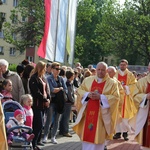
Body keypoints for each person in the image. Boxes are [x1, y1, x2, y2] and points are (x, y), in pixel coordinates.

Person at [73, 62, 120, 150]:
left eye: (103, 70)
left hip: (101, 117)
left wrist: (101, 97)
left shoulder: (112, 83)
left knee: (98, 140)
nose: (100, 72)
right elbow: (79, 91)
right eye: (98, 69)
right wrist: (87, 94)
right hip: (87, 115)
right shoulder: (88, 80)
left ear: (106, 71)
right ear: (96, 69)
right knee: (87, 140)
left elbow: (116, 98)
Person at [42, 62, 67, 144]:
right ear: (52, 69)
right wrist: (60, 88)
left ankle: (53, 136)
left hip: (60, 102)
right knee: (49, 120)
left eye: (59, 69)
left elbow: (65, 89)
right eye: (56, 69)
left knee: (57, 120)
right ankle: (45, 136)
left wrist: (60, 89)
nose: (58, 71)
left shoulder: (61, 79)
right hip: (52, 101)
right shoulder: (48, 78)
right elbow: (51, 90)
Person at [29, 61, 50, 150]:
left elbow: (47, 90)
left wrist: (48, 99)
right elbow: (36, 92)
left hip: (43, 105)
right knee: (38, 125)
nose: (45, 70)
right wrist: (45, 100)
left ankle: (35, 143)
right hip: (37, 105)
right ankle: (33, 143)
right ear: (40, 68)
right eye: (44, 68)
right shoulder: (34, 78)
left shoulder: (43, 78)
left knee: (40, 125)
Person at [113, 59, 137, 140]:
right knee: (117, 115)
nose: (122, 66)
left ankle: (125, 133)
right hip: (117, 97)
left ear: (127, 65)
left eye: (124, 65)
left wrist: (126, 87)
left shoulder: (130, 75)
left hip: (126, 98)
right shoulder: (115, 74)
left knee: (125, 116)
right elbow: (112, 83)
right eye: (121, 64)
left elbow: (134, 84)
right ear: (119, 65)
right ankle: (118, 132)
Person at [133, 63, 150, 148]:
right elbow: (135, 96)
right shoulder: (142, 82)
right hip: (146, 115)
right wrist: (146, 96)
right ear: (148, 68)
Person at [59, 70, 75, 137]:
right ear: (71, 76)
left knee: (63, 117)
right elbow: (69, 94)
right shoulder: (68, 83)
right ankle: (65, 131)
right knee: (66, 117)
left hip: (66, 102)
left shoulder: (68, 82)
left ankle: (61, 130)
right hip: (68, 102)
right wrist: (73, 100)